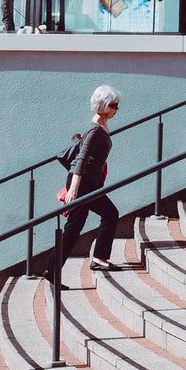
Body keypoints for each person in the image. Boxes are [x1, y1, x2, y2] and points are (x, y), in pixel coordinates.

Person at [54, 84, 121, 281]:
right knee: (110, 214)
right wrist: (72, 189)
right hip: (82, 183)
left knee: (74, 230)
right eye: (114, 105)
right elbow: (81, 159)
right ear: (104, 106)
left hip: (87, 182)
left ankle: (52, 271)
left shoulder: (101, 126)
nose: (117, 109)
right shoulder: (94, 130)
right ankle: (98, 258)